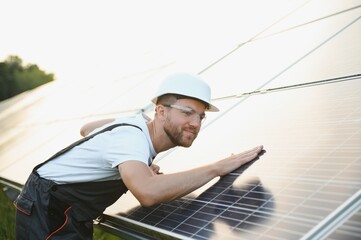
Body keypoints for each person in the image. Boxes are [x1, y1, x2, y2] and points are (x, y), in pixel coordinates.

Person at [14, 72, 264, 239]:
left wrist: (133, 160)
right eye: (187, 112)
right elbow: (148, 192)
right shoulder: (132, 138)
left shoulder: (135, 129)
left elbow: (86, 129)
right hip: (47, 207)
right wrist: (217, 168)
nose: (195, 123)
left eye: (200, 116)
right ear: (161, 111)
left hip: (65, 208)